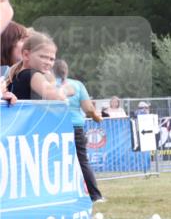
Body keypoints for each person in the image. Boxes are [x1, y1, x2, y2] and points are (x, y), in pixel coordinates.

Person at [53, 59, 104, 203]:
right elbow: (88, 109)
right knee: (82, 161)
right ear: (67, 70)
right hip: (76, 127)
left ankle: (59, 196)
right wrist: (97, 118)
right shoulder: (77, 85)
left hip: (55, 128)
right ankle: (95, 196)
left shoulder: (47, 85)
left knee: (55, 162)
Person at [7, 32, 74, 101]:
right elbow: (55, 96)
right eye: (43, 57)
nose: (48, 62)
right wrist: (66, 89)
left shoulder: (17, 74)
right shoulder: (33, 75)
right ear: (26, 55)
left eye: (51, 59)